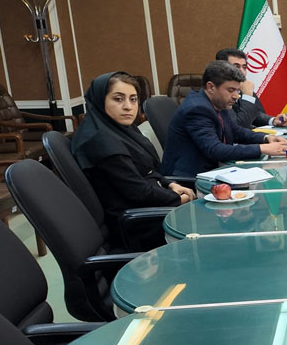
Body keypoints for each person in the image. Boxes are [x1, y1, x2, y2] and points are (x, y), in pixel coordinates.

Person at [72, 71, 195, 248]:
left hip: (151, 208)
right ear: (100, 100)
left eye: (133, 99)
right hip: (138, 225)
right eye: (118, 99)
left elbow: (147, 169)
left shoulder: (120, 129)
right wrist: (178, 200)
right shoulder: (101, 141)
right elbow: (138, 192)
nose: (128, 107)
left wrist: (170, 184)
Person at [160, 60, 287, 177]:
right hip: (189, 179)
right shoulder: (197, 109)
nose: (236, 96)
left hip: (216, 169)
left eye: (238, 90)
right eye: (231, 90)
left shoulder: (218, 102)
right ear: (211, 87)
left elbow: (236, 131)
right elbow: (215, 150)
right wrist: (262, 148)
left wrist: (266, 138)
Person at [216, 47, 287, 130]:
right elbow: (238, 128)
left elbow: (255, 114)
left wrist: (273, 120)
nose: (242, 72)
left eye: (244, 67)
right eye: (236, 67)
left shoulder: (243, 88)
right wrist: (248, 96)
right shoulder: (218, 94)